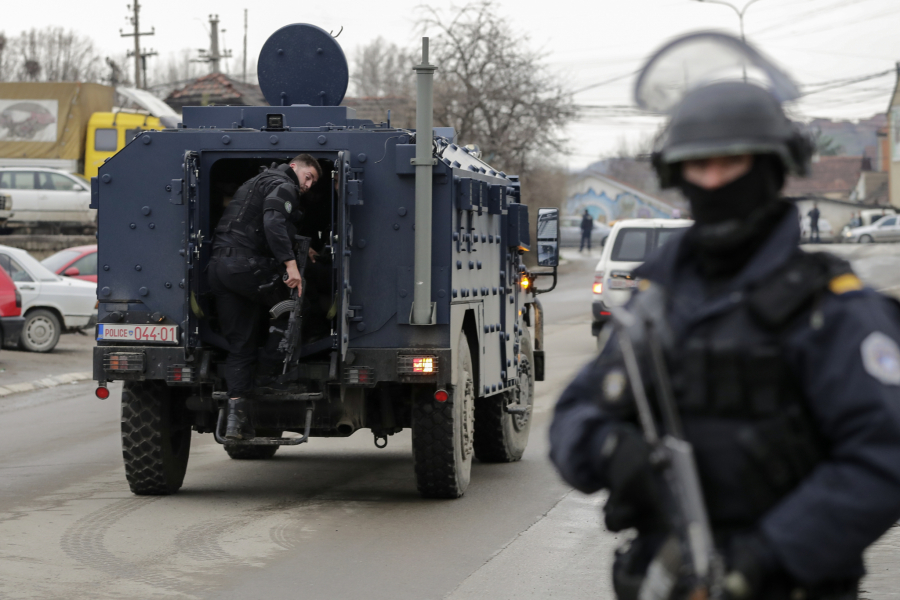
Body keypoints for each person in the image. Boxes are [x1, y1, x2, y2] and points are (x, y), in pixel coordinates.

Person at [549, 78, 900, 599]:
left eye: (731, 163)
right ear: (678, 174)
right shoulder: (657, 304)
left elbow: (883, 459)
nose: (713, 181)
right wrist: (609, 449)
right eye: (699, 165)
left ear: (771, 168)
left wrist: (766, 555)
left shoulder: (833, 310)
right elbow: (572, 417)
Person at [208, 154, 321, 440]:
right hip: (245, 266)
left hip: (220, 269)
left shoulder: (257, 181)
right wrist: (290, 264)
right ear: (295, 167)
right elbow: (272, 221)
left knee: (240, 345)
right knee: (293, 305)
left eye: (312, 182)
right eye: (309, 177)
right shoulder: (285, 185)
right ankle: (270, 378)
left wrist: (297, 244)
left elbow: (256, 222)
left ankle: (236, 420)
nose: (308, 185)